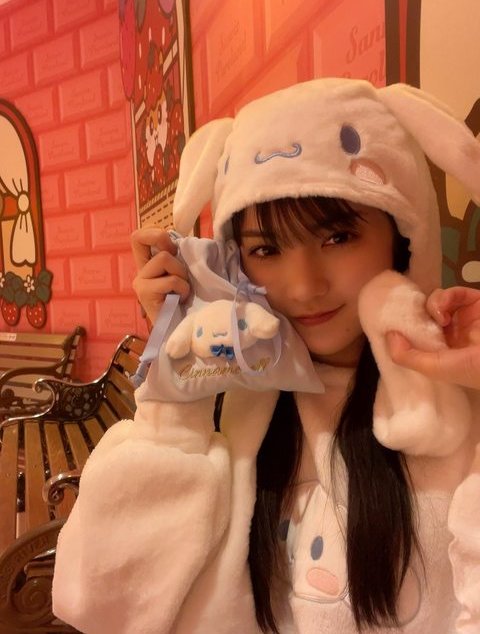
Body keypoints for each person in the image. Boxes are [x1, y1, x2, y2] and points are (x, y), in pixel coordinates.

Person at [52, 78, 480, 634]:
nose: (303, 287)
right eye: (266, 249)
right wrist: (173, 394)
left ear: (402, 235)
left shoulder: (454, 400)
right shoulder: (237, 400)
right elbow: (106, 604)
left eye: (338, 237)